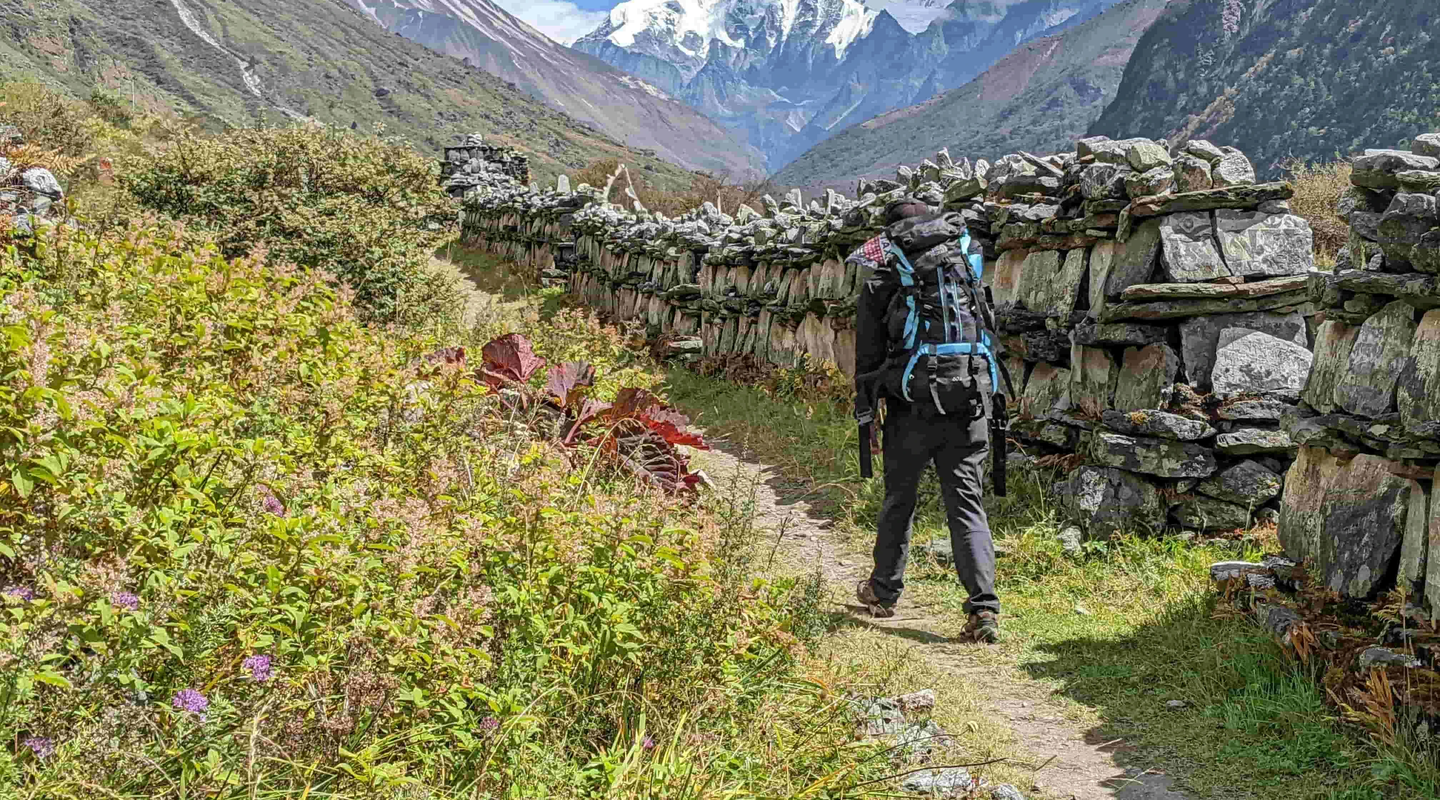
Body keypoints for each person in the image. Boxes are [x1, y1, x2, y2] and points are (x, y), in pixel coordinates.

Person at [848, 197, 1006, 644]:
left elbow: (868, 357)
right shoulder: (963, 266)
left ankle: (883, 592)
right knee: (966, 505)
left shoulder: (886, 277)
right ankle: (984, 609)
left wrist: (870, 408)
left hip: (912, 406)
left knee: (900, 498)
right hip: (971, 400)